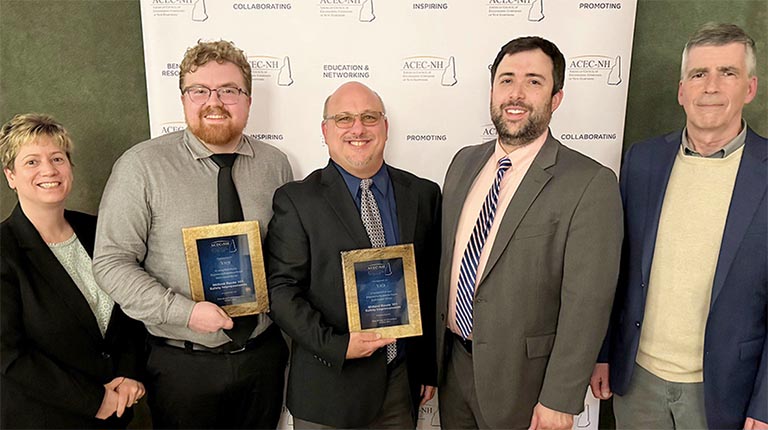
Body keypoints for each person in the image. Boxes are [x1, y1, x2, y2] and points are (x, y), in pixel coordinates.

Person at [92, 40, 293, 429]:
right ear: (183, 98)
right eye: (199, 90)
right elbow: (112, 263)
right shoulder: (142, 167)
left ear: (248, 100)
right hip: (182, 365)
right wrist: (185, 313)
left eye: (229, 90)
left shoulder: (275, 166)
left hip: (262, 358)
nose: (213, 101)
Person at [436, 36, 624, 430]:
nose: (516, 94)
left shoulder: (590, 183)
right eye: (506, 80)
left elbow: (587, 304)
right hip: (454, 369)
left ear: (556, 98)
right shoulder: (463, 163)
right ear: (492, 90)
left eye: (534, 81)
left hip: (525, 386)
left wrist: (559, 398)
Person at [590, 23, 766, 430]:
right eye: (699, 74)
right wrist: (603, 352)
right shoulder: (642, 161)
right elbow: (618, 268)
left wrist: (766, 402)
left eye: (728, 73)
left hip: (727, 391)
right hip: (637, 382)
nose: (711, 87)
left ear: (750, 88)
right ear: (682, 90)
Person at [266, 81, 440, 429]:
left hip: (399, 387)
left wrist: (426, 368)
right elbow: (281, 291)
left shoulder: (423, 194)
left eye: (369, 117)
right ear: (325, 130)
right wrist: (337, 346)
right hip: (328, 389)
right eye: (344, 118)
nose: (358, 128)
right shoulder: (298, 200)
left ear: (385, 127)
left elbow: (431, 284)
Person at [0, 113, 146, 429]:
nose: (49, 170)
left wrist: (131, 375)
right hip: (44, 419)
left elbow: (131, 309)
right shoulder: (3, 250)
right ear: (10, 175)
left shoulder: (99, 231)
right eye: (31, 162)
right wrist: (94, 399)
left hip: (116, 416)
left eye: (57, 158)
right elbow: (7, 356)